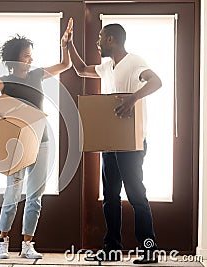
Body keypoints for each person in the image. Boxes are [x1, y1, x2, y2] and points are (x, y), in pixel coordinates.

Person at [67, 19, 162, 264]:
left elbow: (156, 82)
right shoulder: (107, 66)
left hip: (131, 143)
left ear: (111, 39)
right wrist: (68, 45)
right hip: (110, 143)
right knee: (110, 196)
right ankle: (111, 248)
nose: (98, 42)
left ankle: (149, 248)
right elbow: (81, 69)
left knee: (136, 195)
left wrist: (131, 100)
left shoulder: (135, 62)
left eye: (100, 38)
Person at [0, 23, 72, 259]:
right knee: (12, 195)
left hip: (41, 141)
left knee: (35, 197)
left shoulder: (37, 74)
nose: (30, 60)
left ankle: (27, 246)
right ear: (15, 59)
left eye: (31, 56)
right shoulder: (6, 80)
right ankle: (3, 242)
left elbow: (65, 65)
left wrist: (65, 45)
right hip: (18, 145)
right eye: (26, 56)